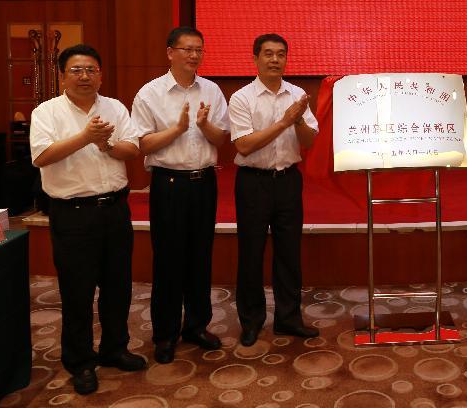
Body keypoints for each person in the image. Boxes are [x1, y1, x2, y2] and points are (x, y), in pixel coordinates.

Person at [30, 44, 144, 395]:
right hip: (73, 214)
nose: (85, 76)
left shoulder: (115, 107)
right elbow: (42, 157)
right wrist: (85, 137)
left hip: (114, 210)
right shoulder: (46, 112)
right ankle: (80, 361)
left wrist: (106, 144)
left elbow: (133, 149)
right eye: (77, 70)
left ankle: (114, 348)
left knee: (117, 285)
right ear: (63, 75)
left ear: (100, 74)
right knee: (77, 292)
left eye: (91, 69)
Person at [132, 27, 229, 363]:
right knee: (169, 260)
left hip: (204, 183)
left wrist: (203, 126)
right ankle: (165, 333)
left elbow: (221, 140)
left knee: (200, 257)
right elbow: (142, 144)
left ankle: (197, 326)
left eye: (199, 49)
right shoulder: (150, 94)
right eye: (187, 49)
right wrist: (176, 129)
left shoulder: (213, 91)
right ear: (170, 52)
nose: (194, 55)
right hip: (168, 185)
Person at [229, 33, 319, 346]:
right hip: (253, 182)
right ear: (255, 59)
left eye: (281, 54)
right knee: (251, 253)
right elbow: (244, 144)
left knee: (289, 253)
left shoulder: (297, 95)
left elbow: (308, 142)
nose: (275, 60)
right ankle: (251, 321)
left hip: (288, 181)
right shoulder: (242, 98)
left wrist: (297, 121)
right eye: (268, 54)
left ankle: (289, 318)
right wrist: (283, 122)